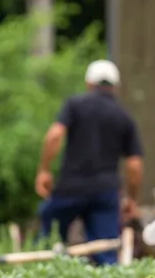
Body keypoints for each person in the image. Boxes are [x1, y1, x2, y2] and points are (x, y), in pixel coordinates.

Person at [35, 59, 144, 265]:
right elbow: (134, 165)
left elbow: (54, 135)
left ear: (89, 83)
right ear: (115, 87)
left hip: (70, 187)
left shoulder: (75, 105)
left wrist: (44, 171)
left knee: (49, 243)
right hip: (105, 192)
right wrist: (132, 199)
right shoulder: (124, 117)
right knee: (106, 251)